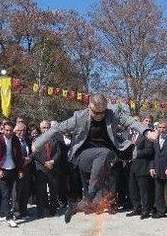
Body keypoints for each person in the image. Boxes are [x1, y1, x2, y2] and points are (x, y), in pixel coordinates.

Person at [33, 94, 157, 223]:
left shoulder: (112, 114)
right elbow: (57, 129)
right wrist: (38, 143)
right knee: (103, 153)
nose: (99, 116)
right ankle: (90, 196)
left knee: (101, 195)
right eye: (95, 113)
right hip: (83, 156)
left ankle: (77, 206)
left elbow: (131, 121)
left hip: (107, 158)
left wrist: (147, 132)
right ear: (89, 107)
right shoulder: (79, 117)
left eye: (102, 113)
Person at [0, 121, 24, 227]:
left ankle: (4, 213)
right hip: (2, 170)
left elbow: (19, 156)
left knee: (11, 193)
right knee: (5, 194)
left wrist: (20, 170)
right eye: (6, 130)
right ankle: (9, 217)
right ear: (2, 129)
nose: (8, 132)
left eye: (11, 130)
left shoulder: (15, 139)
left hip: (13, 169)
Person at [126, 116, 154, 219]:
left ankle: (145, 210)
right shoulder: (134, 134)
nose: (147, 122)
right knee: (133, 188)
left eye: (149, 121)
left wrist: (137, 153)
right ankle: (136, 208)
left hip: (143, 165)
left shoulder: (148, 135)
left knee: (144, 190)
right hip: (133, 165)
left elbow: (150, 150)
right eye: (146, 120)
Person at [13, 122, 33, 218]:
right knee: (17, 192)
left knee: (26, 191)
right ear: (15, 131)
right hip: (17, 169)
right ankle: (16, 212)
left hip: (27, 169)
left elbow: (32, 152)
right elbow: (13, 155)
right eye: (19, 130)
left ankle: (24, 211)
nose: (21, 132)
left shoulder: (28, 140)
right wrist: (22, 160)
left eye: (23, 130)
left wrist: (30, 158)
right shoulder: (13, 141)